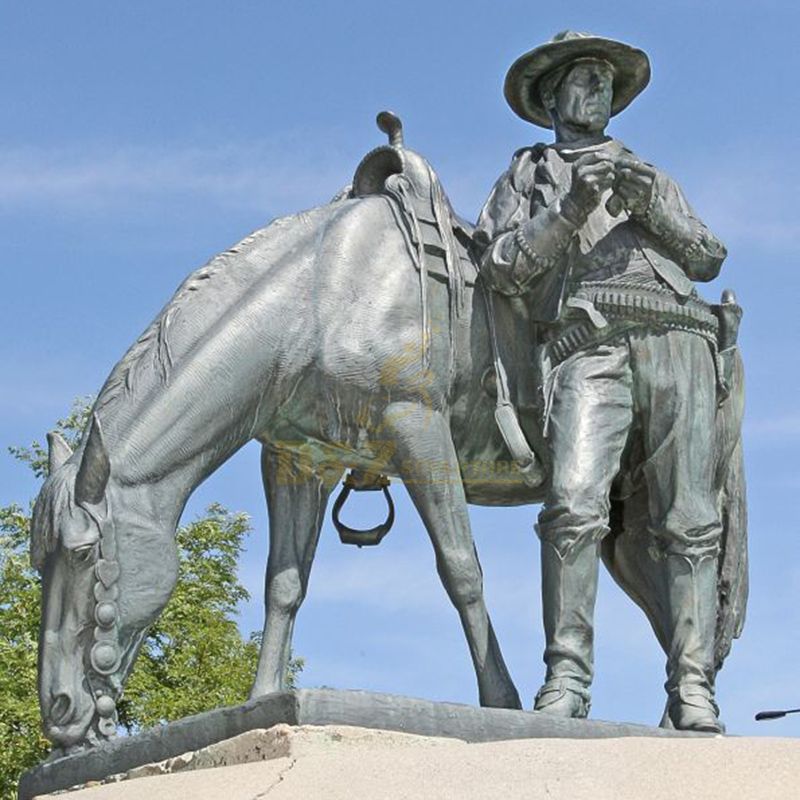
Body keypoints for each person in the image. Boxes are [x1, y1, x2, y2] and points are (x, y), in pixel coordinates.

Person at [474, 31, 728, 732]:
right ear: (552, 96)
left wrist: (658, 211)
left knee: (691, 519)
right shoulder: (529, 176)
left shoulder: (649, 172)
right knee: (573, 507)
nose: (598, 92)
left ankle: (693, 686)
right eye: (583, 81)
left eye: (606, 82)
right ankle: (567, 679)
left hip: (680, 337)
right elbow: (498, 268)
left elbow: (708, 257)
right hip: (591, 340)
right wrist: (568, 212)